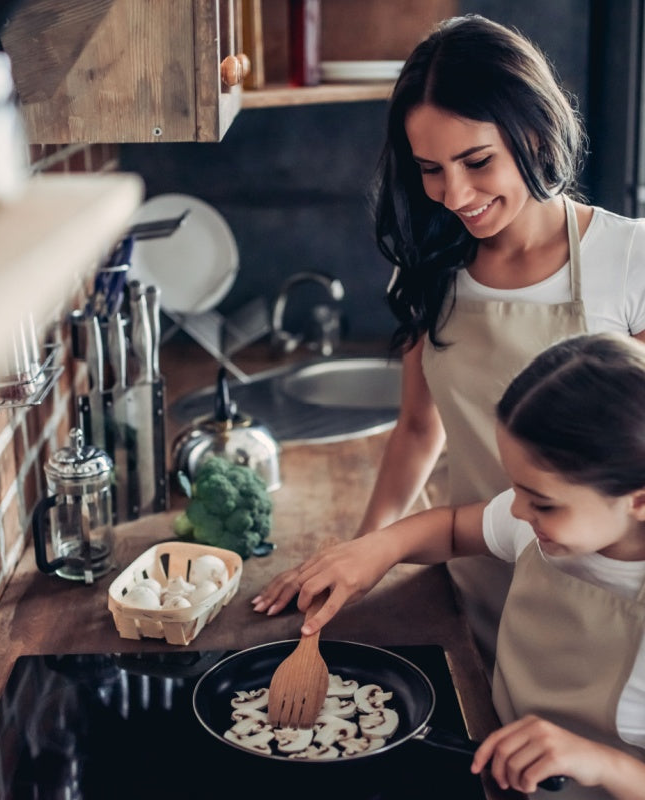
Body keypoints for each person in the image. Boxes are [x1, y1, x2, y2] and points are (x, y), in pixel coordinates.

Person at [253, 14, 645, 672]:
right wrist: (363, 557)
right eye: (430, 169)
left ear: (533, 129)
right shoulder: (431, 267)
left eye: (476, 161)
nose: (454, 194)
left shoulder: (632, 258)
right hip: (474, 585)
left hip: (600, 614)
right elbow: (416, 428)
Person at [258, 333, 645, 800]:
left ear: (638, 500)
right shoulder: (538, 522)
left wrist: (603, 764)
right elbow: (456, 527)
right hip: (497, 765)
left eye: (542, 503)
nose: (518, 511)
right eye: (516, 488)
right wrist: (381, 547)